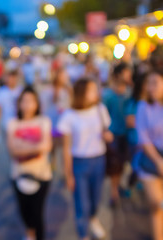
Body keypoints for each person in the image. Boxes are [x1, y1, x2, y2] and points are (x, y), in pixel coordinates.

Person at [57, 79, 113, 240]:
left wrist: (107, 136)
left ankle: (93, 218)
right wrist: (68, 174)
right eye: (92, 90)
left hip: (98, 160)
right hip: (79, 162)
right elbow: (66, 148)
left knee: (96, 198)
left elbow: (107, 132)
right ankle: (83, 234)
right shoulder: (69, 116)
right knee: (82, 203)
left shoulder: (100, 109)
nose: (96, 93)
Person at [7, 87, 52, 240]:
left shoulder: (43, 121)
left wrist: (22, 147)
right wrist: (35, 148)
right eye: (24, 101)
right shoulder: (12, 123)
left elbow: (46, 146)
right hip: (18, 174)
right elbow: (12, 151)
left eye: (31, 101)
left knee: (37, 213)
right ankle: (29, 233)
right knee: (24, 210)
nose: (27, 105)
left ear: (37, 104)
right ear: (19, 104)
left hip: (41, 175)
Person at [136, 72, 163, 240]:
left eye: (155, 83)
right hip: (151, 158)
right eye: (148, 83)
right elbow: (144, 138)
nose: (151, 88)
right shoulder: (143, 106)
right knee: (156, 204)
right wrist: (159, 162)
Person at [102, 62, 132, 206]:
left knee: (123, 163)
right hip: (113, 135)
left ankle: (118, 186)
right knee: (115, 164)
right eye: (126, 73)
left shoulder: (130, 93)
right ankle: (114, 192)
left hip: (126, 134)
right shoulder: (107, 95)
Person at [125, 73, 147, 187]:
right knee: (135, 166)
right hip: (136, 140)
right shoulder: (134, 102)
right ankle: (131, 185)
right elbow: (129, 121)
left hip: (147, 143)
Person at [0, 70, 22, 134]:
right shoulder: (1, 92)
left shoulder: (21, 91)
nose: (11, 79)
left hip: (19, 124)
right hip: (5, 124)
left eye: (14, 77)